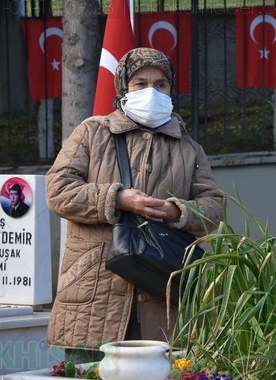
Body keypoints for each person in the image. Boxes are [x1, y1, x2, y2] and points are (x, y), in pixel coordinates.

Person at [45, 47, 224, 362]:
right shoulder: (91, 133)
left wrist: (178, 212)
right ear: (123, 88)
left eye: (161, 84)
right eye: (140, 84)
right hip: (93, 298)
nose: (151, 92)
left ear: (171, 90)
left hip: (160, 297)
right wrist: (117, 199)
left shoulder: (189, 148)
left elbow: (213, 207)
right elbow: (59, 190)